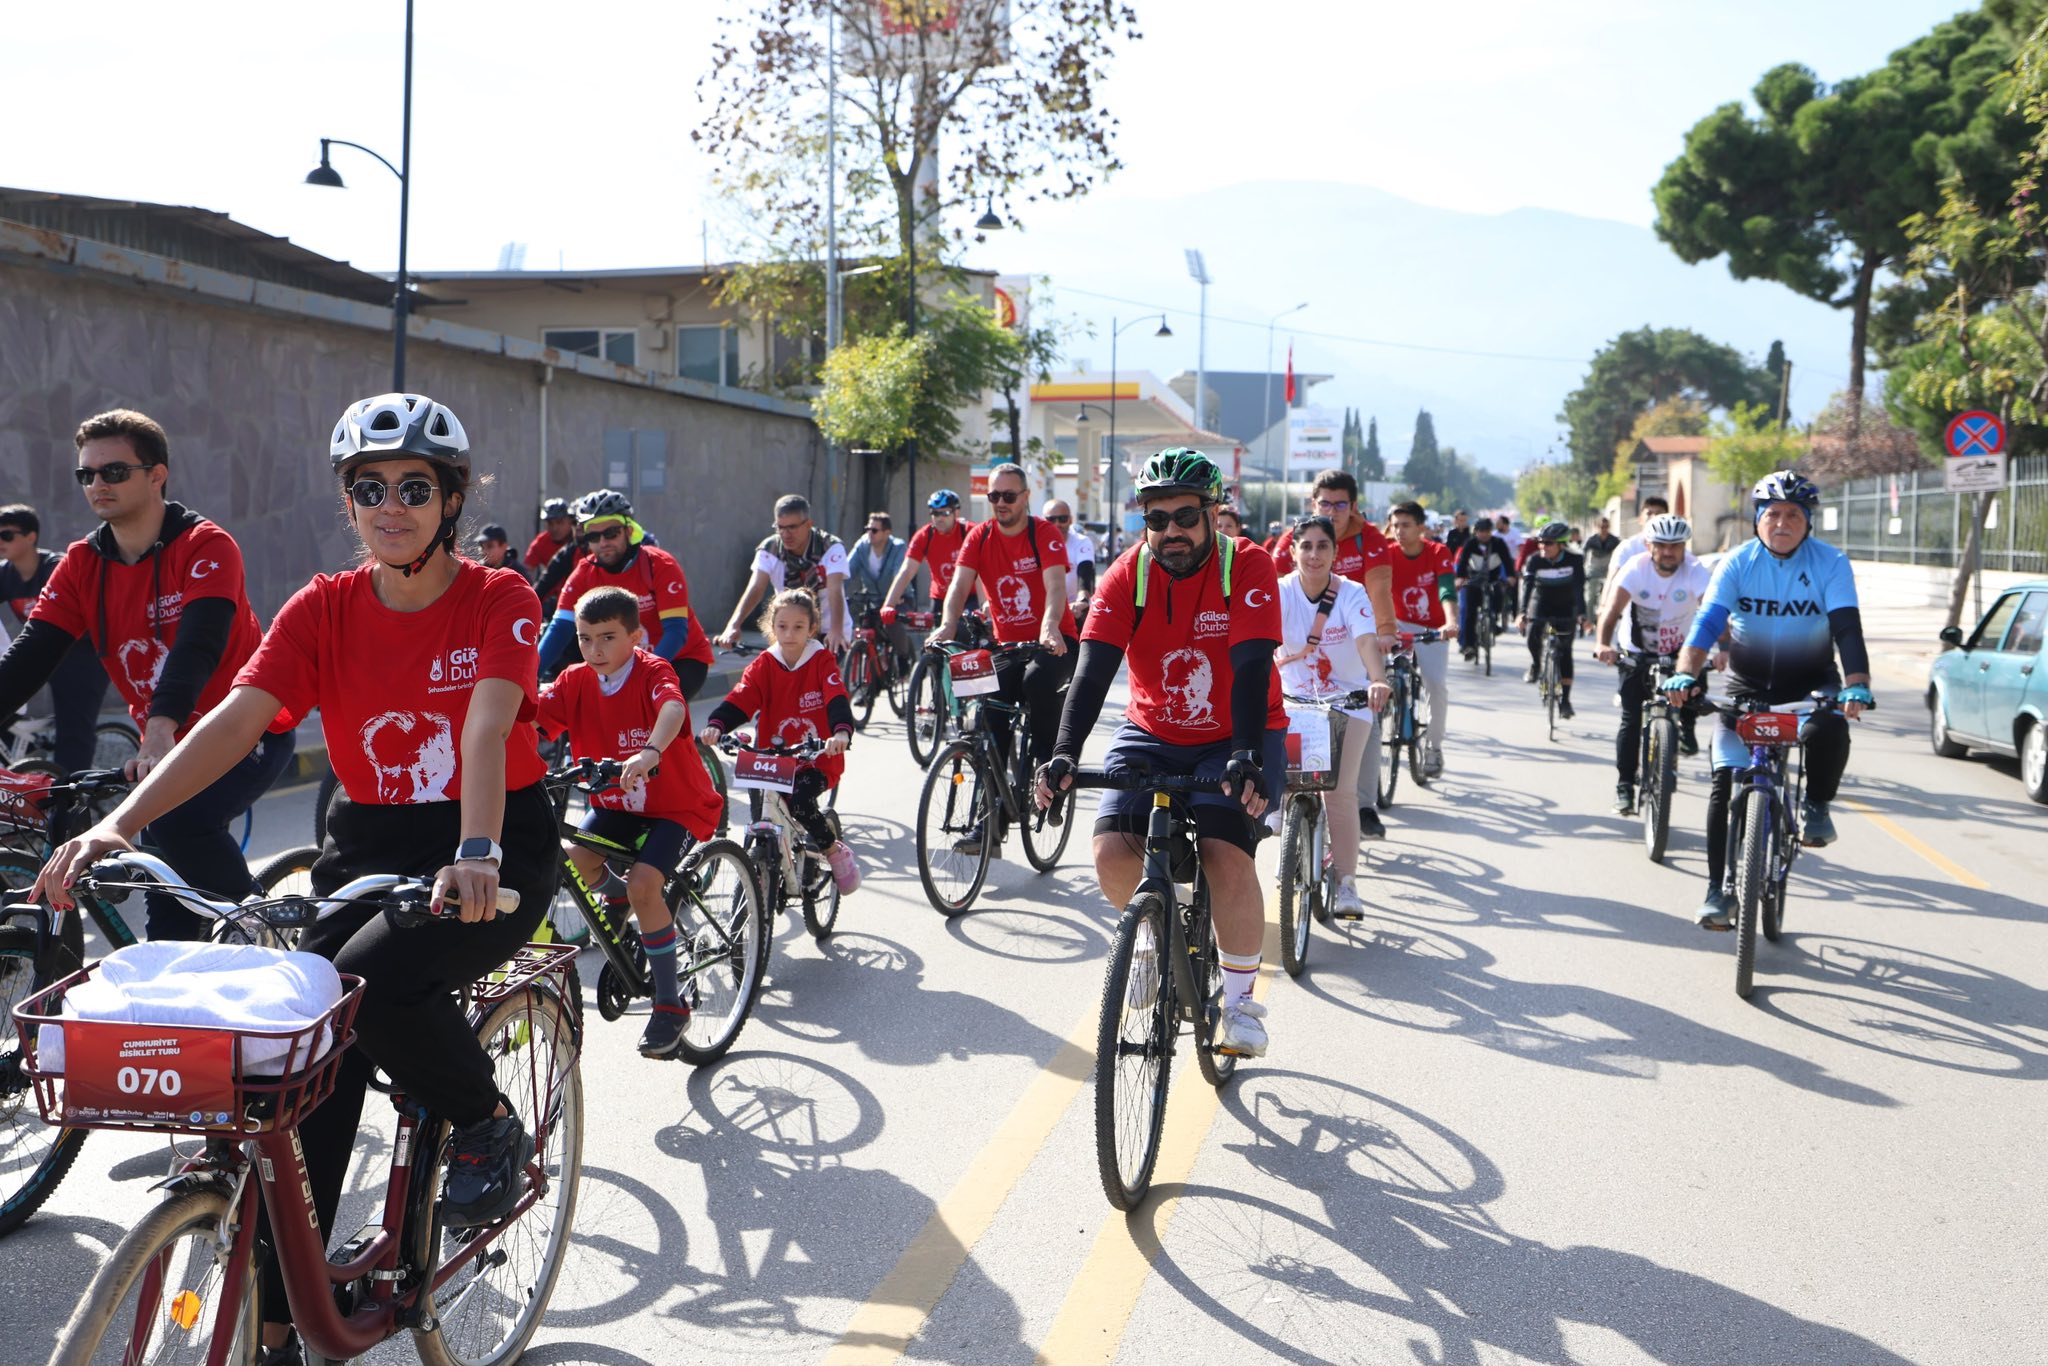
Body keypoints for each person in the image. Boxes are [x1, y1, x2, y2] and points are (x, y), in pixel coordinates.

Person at [35, 393, 556, 1359]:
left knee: (375, 985)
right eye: (370, 489)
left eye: (414, 488)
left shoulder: (499, 599)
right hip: (368, 839)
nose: (390, 507)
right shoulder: (323, 607)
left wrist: (478, 850)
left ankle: (485, 1121)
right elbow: (235, 721)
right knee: (299, 1058)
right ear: (348, 500)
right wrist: (118, 824)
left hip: (491, 839)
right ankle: (279, 1326)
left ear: (450, 499)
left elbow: (485, 727)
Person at [0, 410, 293, 940]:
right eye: (86, 474)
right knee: (167, 907)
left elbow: (198, 646)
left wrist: (160, 729)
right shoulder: (81, 564)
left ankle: (262, 933)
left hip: (246, 731)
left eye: (114, 471)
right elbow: (29, 658)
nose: (97, 484)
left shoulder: (207, 546)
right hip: (165, 750)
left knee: (182, 823)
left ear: (157, 474)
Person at [1037, 448, 1285, 1056]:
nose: (1171, 530)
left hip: (1237, 732)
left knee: (1226, 855)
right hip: (1152, 729)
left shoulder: (1246, 565)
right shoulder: (1129, 574)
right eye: (1156, 518)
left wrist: (1246, 754)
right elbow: (1092, 673)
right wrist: (1063, 753)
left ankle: (1241, 1003)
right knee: (1109, 850)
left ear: (1212, 514)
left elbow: (1252, 667)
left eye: (1185, 516)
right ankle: (1152, 935)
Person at [1663, 472, 1871, 930]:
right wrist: (1686, 672)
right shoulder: (1737, 563)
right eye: (1773, 513)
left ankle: (1816, 805)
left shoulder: (1831, 563)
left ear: (1808, 522)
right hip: (1746, 686)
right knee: (1724, 783)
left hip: (1810, 682)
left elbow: (1846, 628)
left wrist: (1856, 682)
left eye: (1794, 514)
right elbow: (1706, 623)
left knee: (1830, 726)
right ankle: (1717, 890)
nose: (1782, 523)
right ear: (1757, 519)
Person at [536, 585, 723, 1058]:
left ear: (635, 637)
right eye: (584, 638)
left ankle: (670, 1004)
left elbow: (673, 708)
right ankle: (616, 894)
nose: (595, 649)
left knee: (645, 885)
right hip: (615, 805)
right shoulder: (575, 680)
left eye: (607, 637)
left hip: (676, 806)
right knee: (573, 862)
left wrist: (650, 751)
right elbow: (533, 720)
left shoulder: (652, 671)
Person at [700, 587, 862, 893]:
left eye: (798, 627)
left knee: (800, 803)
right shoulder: (765, 663)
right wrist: (717, 725)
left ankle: (832, 850)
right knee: (760, 812)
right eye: (782, 626)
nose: (789, 634)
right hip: (772, 760)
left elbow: (836, 697)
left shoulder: (821, 660)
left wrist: (841, 732)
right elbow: (743, 697)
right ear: (772, 627)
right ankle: (763, 866)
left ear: (811, 628)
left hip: (816, 759)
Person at [938, 463, 1076, 777]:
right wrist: (947, 625)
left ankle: (1049, 772)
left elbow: (1056, 586)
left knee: (1035, 681)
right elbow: (958, 586)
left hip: (1055, 641)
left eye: (1009, 496)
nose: (1001, 502)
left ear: (1025, 497)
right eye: (994, 495)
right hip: (1009, 646)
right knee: (988, 701)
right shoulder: (979, 536)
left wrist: (1049, 626)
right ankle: (993, 796)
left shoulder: (1044, 532)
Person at [1276, 513, 1393, 863]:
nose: (1314, 555)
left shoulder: (1352, 593)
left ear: (1335, 552)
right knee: (1287, 781)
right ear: (1293, 552)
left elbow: (1366, 641)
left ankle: (1346, 882)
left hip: (1348, 702)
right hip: (1294, 703)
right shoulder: (1280, 591)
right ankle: (1285, 826)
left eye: (1323, 546)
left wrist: (1377, 679)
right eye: (1306, 546)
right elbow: (1260, 642)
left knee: (1340, 793)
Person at [538, 491, 713, 698]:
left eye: (611, 533)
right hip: (623, 662)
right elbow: (559, 629)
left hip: (681, 658)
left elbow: (676, 632)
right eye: (594, 536)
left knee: (651, 710)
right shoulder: (584, 573)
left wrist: (640, 675)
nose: (603, 542)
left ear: (628, 531)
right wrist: (529, 675)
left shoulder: (659, 564)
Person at [1594, 514, 1713, 814]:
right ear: (1649, 546)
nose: (1669, 552)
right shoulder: (1636, 568)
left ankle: (1685, 728)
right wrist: (1603, 644)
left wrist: (1724, 647)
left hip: (1679, 652)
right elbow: (1611, 611)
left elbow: (1712, 611)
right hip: (1636, 652)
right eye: (1662, 545)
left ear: (1684, 547)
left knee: (1696, 688)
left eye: (1676, 546)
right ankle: (1624, 785)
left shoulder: (1695, 570)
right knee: (1631, 719)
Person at [0, 502, 112, 774]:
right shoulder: (5, 573)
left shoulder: (58, 567)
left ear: (31, 537)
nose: (0, 542)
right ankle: (28, 755)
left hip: (85, 652)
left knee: (73, 726)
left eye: (6, 535)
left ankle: (71, 794)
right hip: (43, 651)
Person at [716, 494, 851, 654]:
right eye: (780, 527)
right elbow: (756, 588)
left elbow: (835, 589)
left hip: (829, 627)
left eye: (792, 527)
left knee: (821, 668)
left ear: (808, 524)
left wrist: (836, 630)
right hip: (789, 631)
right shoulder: (770, 548)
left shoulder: (830, 546)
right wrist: (733, 625)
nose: (786, 534)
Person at [1385, 501, 1458, 777]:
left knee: (1435, 685)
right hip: (1398, 625)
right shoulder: (1388, 553)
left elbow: (1446, 589)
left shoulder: (1438, 552)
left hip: (1434, 627)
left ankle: (1434, 747)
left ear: (1421, 527)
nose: (1399, 531)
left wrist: (1451, 622)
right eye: (1395, 526)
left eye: (1406, 525)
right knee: (1381, 674)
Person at [1516, 521, 1586, 718]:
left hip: (1566, 605)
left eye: (1548, 543)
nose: (1542, 547)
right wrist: (1522, 613)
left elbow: (1579, 589)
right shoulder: (1534, 560)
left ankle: (1565, 701)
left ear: (1561, 545)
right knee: (1532, 633)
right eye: (1540, 542)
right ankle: (1536, 665)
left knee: (1565, 651)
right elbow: (1527, 587)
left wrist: (1582, 614)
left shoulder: (1574, 560)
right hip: (1541, 601)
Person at [882, 488, 975, 624]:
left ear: (956, 512)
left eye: (945, 513)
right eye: (935, 513)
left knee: (967, 631)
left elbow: (983, 570)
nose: (939, 518)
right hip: (941, 598)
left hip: (970, 596)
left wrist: (984, 603)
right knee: (936, 636)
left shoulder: (969, 532)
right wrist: (888, 605)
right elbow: (906, 571)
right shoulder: (924, 536)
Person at [846, 510, 912, 666]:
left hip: (899, 599)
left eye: (874, 530)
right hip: (873, 600)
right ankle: (871, 669)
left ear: (887, 533)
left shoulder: (898, 547)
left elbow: (899, 573)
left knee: (891, 622)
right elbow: (846, 572)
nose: (870, 533)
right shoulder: (862, 547)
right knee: (864, 624)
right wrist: (837, 593)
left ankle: (903, 658)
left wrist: (895, 597)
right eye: (868, 529)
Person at [1453, 517, 1514, 658]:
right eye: (1481, 531)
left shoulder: (1498, 543)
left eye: (1487, 531)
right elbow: (1463, 562)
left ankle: (1493, 621)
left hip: (1493, 578)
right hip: (1474, 579)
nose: (1484, 534)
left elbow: (1507, 560)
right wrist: (1460, 578)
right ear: (1476, 532)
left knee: (1498, 599)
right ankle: (1469, 645)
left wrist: (1511, 576)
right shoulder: (1470, 543)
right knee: (1470, 612)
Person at [1043, 498, 1097, 623]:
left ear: (1071, 520)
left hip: (1073, 607)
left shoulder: (1081, 542)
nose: (1057, 524)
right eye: (1051, 519)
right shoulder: (1036, 543)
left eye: (1062, 519)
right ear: (1043, 521)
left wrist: (1083, 598)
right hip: (1044, 608)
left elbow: (1085, 571)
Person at [529, 496, 586, 609]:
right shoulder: (568, 551)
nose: (555, 528)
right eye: (575, 522)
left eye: (559, 522)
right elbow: (544, 581)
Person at [1608, 495, 1671, 584]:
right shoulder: (1627, 548)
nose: (1654, 517)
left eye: (1659, 513)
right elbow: (1612, 582)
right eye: (1649, 513)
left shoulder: (1675, 549)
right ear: (1640, 519)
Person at [1583, 515, 1621, 615]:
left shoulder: (1614, 540)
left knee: (1609, 597)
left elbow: (1621, 554)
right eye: (1601, 527)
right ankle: (1589, 619)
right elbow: (1583, 554)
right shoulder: (1591, 540)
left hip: (1608, 571)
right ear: (1596, 527)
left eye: (1606, 527)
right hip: (1594, 570)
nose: (1604, 529)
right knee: (1590, 597)